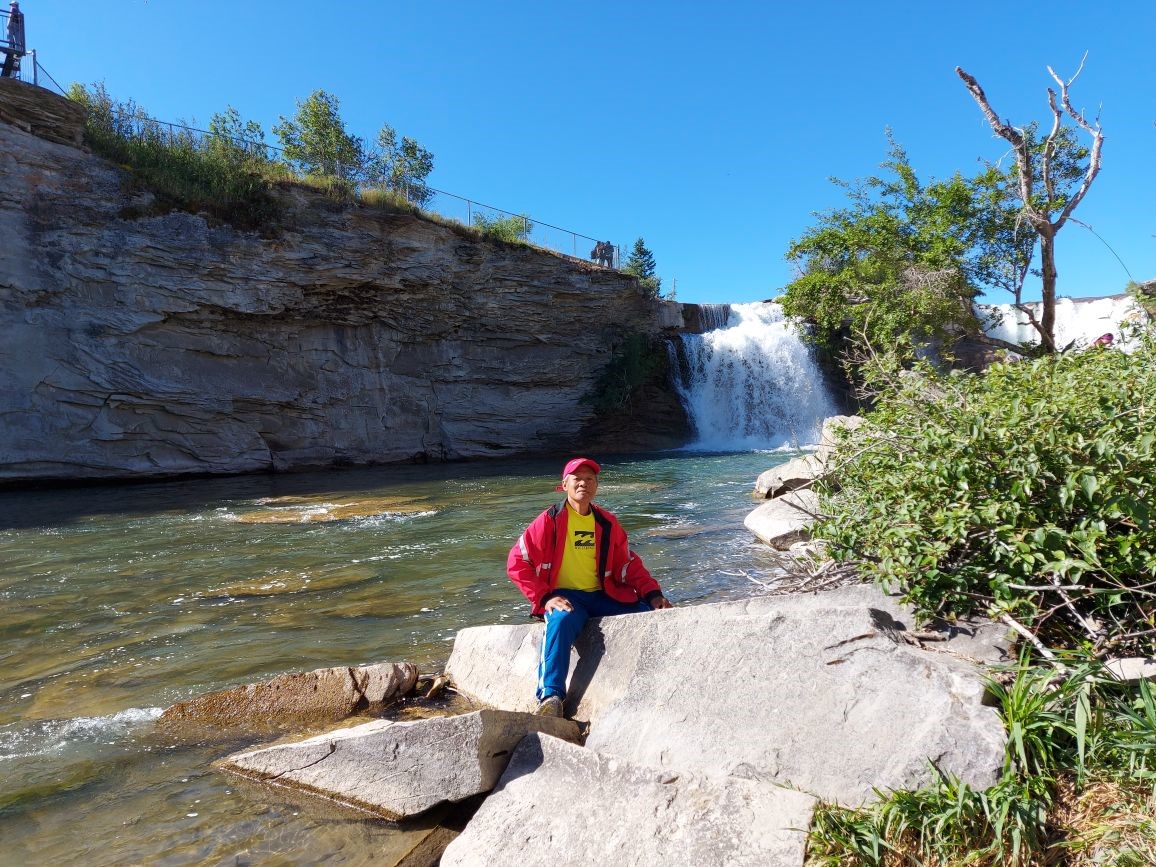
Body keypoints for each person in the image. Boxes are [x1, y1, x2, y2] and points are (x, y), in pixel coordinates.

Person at [506, 457, 672, 717]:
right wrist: (545, 597)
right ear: (564, 485)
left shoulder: (606, 522)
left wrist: (653, 594)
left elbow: (628, 564)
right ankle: (550, 698)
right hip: (567, 598)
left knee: (653, 614)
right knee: (559, 622)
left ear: (596, 485)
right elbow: (517, 562)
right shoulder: (549, 520)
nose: (584, 483)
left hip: (603, 595)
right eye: (577, 478)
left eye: (590, 479)